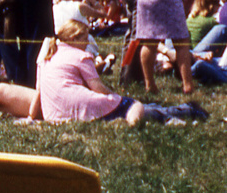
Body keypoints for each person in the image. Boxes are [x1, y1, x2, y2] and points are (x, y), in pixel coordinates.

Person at [34, 20, 205, 125]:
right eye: (85, 37)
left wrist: (31, 116)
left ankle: (178, 110)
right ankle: (185, 111)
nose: (87, 42)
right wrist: (114, 97)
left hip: (55, 112)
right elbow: (97, 87)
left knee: (133, 107)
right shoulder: (81, 56)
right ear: (74, 38)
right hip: (81, 106)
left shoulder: (48, 55)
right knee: (128, 106)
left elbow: (39, 91)